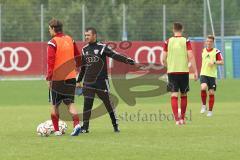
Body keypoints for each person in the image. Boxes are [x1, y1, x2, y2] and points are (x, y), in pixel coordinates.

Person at [76, 27, 135, 133]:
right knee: (87, 104)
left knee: (108, 104)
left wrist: (127, 60)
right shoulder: (84, 49)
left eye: (88, 35)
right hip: (88, 82)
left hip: (101, 82)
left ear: (94, 35)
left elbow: (114, 55)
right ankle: (85, 127)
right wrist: (78, 80)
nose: (86, 37)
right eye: (85, 35)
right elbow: (83, 67)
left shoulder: (102, 47)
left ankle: (115, 125)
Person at [46, 18, 81, 136]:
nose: (48, 30)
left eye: (49, 28)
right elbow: (78, 56)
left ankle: (57, 130)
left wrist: (49, 78)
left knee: (55, 104)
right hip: (71, 77)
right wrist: (78, 71)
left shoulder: (53, 42)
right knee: (70, 103)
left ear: (53, 29)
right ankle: (76, 125)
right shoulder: (70, 39)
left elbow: (50, 62)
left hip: (57, 78)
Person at [162, 22, 198, 125]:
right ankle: (182, 118)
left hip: (172, 72)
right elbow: (191, 56)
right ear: (182, 29)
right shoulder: (185, 40)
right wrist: (195, 71)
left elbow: (163, 58)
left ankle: (177, 120)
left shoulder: (168, 41)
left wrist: (167, 66)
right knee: (184, 94)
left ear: (173, 30)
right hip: (184, 71)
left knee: (173, 94)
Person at [200, 35, 224, 117]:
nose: (208, 43)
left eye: (210, 41)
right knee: (203, 87)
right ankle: (203, 105)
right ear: (206, 42)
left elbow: (222, 62)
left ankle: (210, 111)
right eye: (207, 41)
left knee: (211, 93)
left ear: (213, 42)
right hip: (203, 74)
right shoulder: (203, 51)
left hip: (212, 76)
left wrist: (214, 62)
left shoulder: (217, 51)